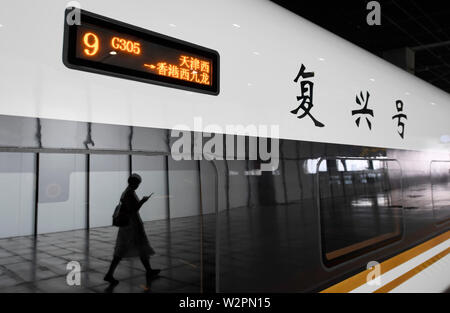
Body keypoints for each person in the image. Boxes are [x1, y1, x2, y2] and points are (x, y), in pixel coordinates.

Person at [104, 173, 160, 287]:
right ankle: (109, 274)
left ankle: (148, 270)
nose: (138, 186)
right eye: (138, 183)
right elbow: (133, 210)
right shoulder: (129, 193)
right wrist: (143, 202)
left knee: (136, 247)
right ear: (134, 183)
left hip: (129, 224)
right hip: (131, 225)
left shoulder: (127, 192)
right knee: (131, 247)